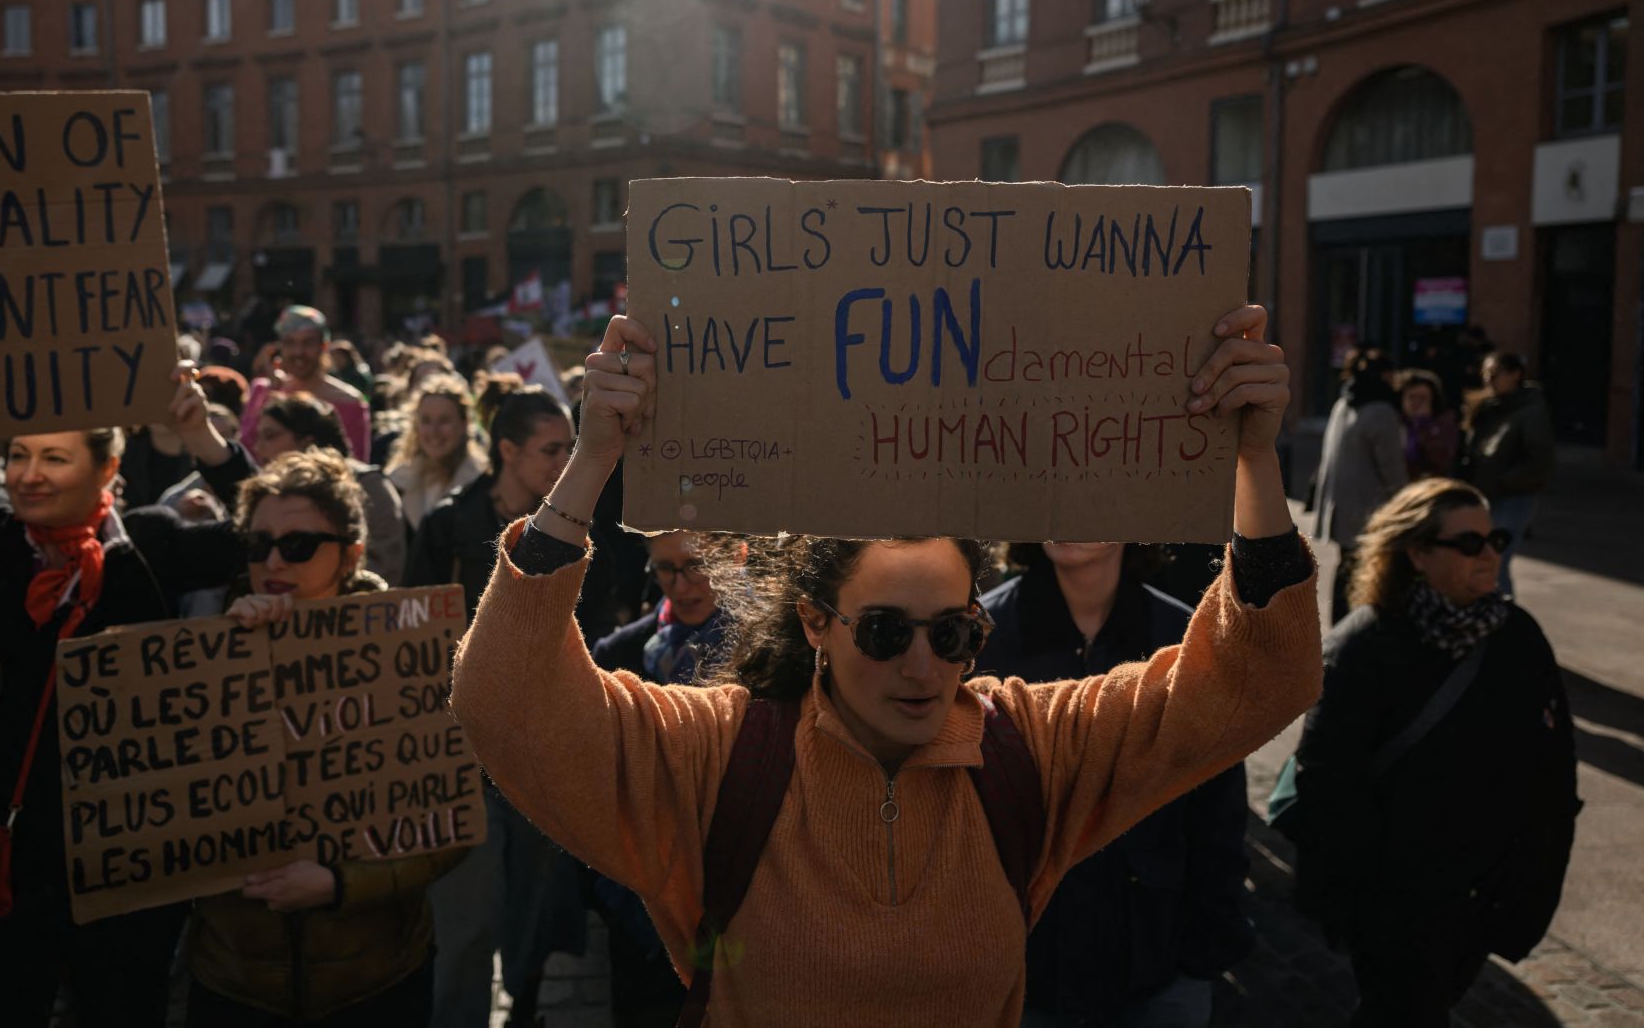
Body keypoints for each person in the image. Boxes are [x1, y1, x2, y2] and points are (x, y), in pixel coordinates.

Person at [449, 307, 1321, 1022]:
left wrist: (1251, 460)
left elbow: (1253, 685)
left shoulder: (1028, 750)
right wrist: (592, 459)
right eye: (883, 632)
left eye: (953, 636)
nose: (921, 667)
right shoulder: (717, 756)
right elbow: (508, 702)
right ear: (815, 625)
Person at [0, 245, 256, 1027]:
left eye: (55, 458)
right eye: (18, 455)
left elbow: (264, 532)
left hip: (123, 870)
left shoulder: (151, 551)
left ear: (108, 471)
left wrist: (203, 440)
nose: (27, 475)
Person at [186, 449, 468, 1027]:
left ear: (351, 555)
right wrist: (234, 665)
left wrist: (339, 884)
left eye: (298, 546)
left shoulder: (408, 655)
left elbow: (449, 828)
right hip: (234, 982)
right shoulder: (206, 647)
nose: (274, 561)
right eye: (259, 543)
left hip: (373, 980)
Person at [1288, 479, 1579, 1026]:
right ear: (1417, 554)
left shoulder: (1518, 637)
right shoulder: (1365, 647)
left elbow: (1555, 769)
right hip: (1394, 902)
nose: (1491, 553)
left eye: (1496, 538)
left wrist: (1531, 882)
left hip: (1484, 895)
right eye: (1469, 544)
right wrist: (1359, 902)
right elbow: (1328, 781)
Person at [973, 541, 1253, 1026]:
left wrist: (1203, 951)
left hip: (1155, 964)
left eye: (1090, 487)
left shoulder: (1184, 636)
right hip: (1022, 972)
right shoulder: (977, 635)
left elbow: (1217, 809)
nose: (1069, 513)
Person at [405, 382, 583, 1028]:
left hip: (544, 751)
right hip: (463, 755)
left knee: (535, 909)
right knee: (465, 926)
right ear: (507, 450)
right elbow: (413, 637)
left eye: (572, 449)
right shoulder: (450, 525)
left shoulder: (580, 527)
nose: (566, 464)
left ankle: (527, 1011)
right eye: (551, 450)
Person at [589, 532, 732, 1027]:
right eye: (664, 570)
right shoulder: (618, 653)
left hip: (733, 884)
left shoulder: (767, 647)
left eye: (695, 566)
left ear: (735, 556)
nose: (681, 585)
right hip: (641, 894)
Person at [247, 393, 407, 587]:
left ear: (306, 441)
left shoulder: (368, 484)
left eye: (271, 436)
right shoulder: (266, 493)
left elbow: (385, 562)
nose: (258, 447)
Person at [1313, 346, 1408, 623]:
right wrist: (1407, 504)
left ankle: (1340, 626)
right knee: (1365, 572)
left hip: (1340, 504)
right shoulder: (1381, 411)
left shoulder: (1344, 402)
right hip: (1369, 506)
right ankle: (1354, 627)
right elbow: (1392, 468)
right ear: (1387, 375)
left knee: (1347, 566)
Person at [1458, 352, 1554, 596]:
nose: (1489, 379)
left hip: (1513, 495)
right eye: (1486, 373)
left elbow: (1539, 460)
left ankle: (1504, 621)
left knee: (1495, 562)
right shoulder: (1489, 406)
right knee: (1479, 562)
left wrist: (1503, 481)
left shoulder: (1530, 411)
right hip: (1485, 493)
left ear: (1515, 375)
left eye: (1495, 373)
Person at [240, 306, 372, 461]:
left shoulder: (348, 401)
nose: (298, 352)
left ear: (324, 346)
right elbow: (246, 451)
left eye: (308, 343)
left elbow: (355, 465)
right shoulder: (264, 391)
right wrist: (270, 392)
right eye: (290, 342)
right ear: (279, 347)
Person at [385, 377, 486, 536]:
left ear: (464, 423)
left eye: (444, 420)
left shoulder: (481, 483)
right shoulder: (397, 482)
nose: (434, 431)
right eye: (426, 421)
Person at [1397, 369, 1459, 480]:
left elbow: (1442, 461)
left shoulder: (1444, 424)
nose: (1416, 403)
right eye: (1411, 397)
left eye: (1422, 398)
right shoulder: (1394, 423)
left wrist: (1423, 426)